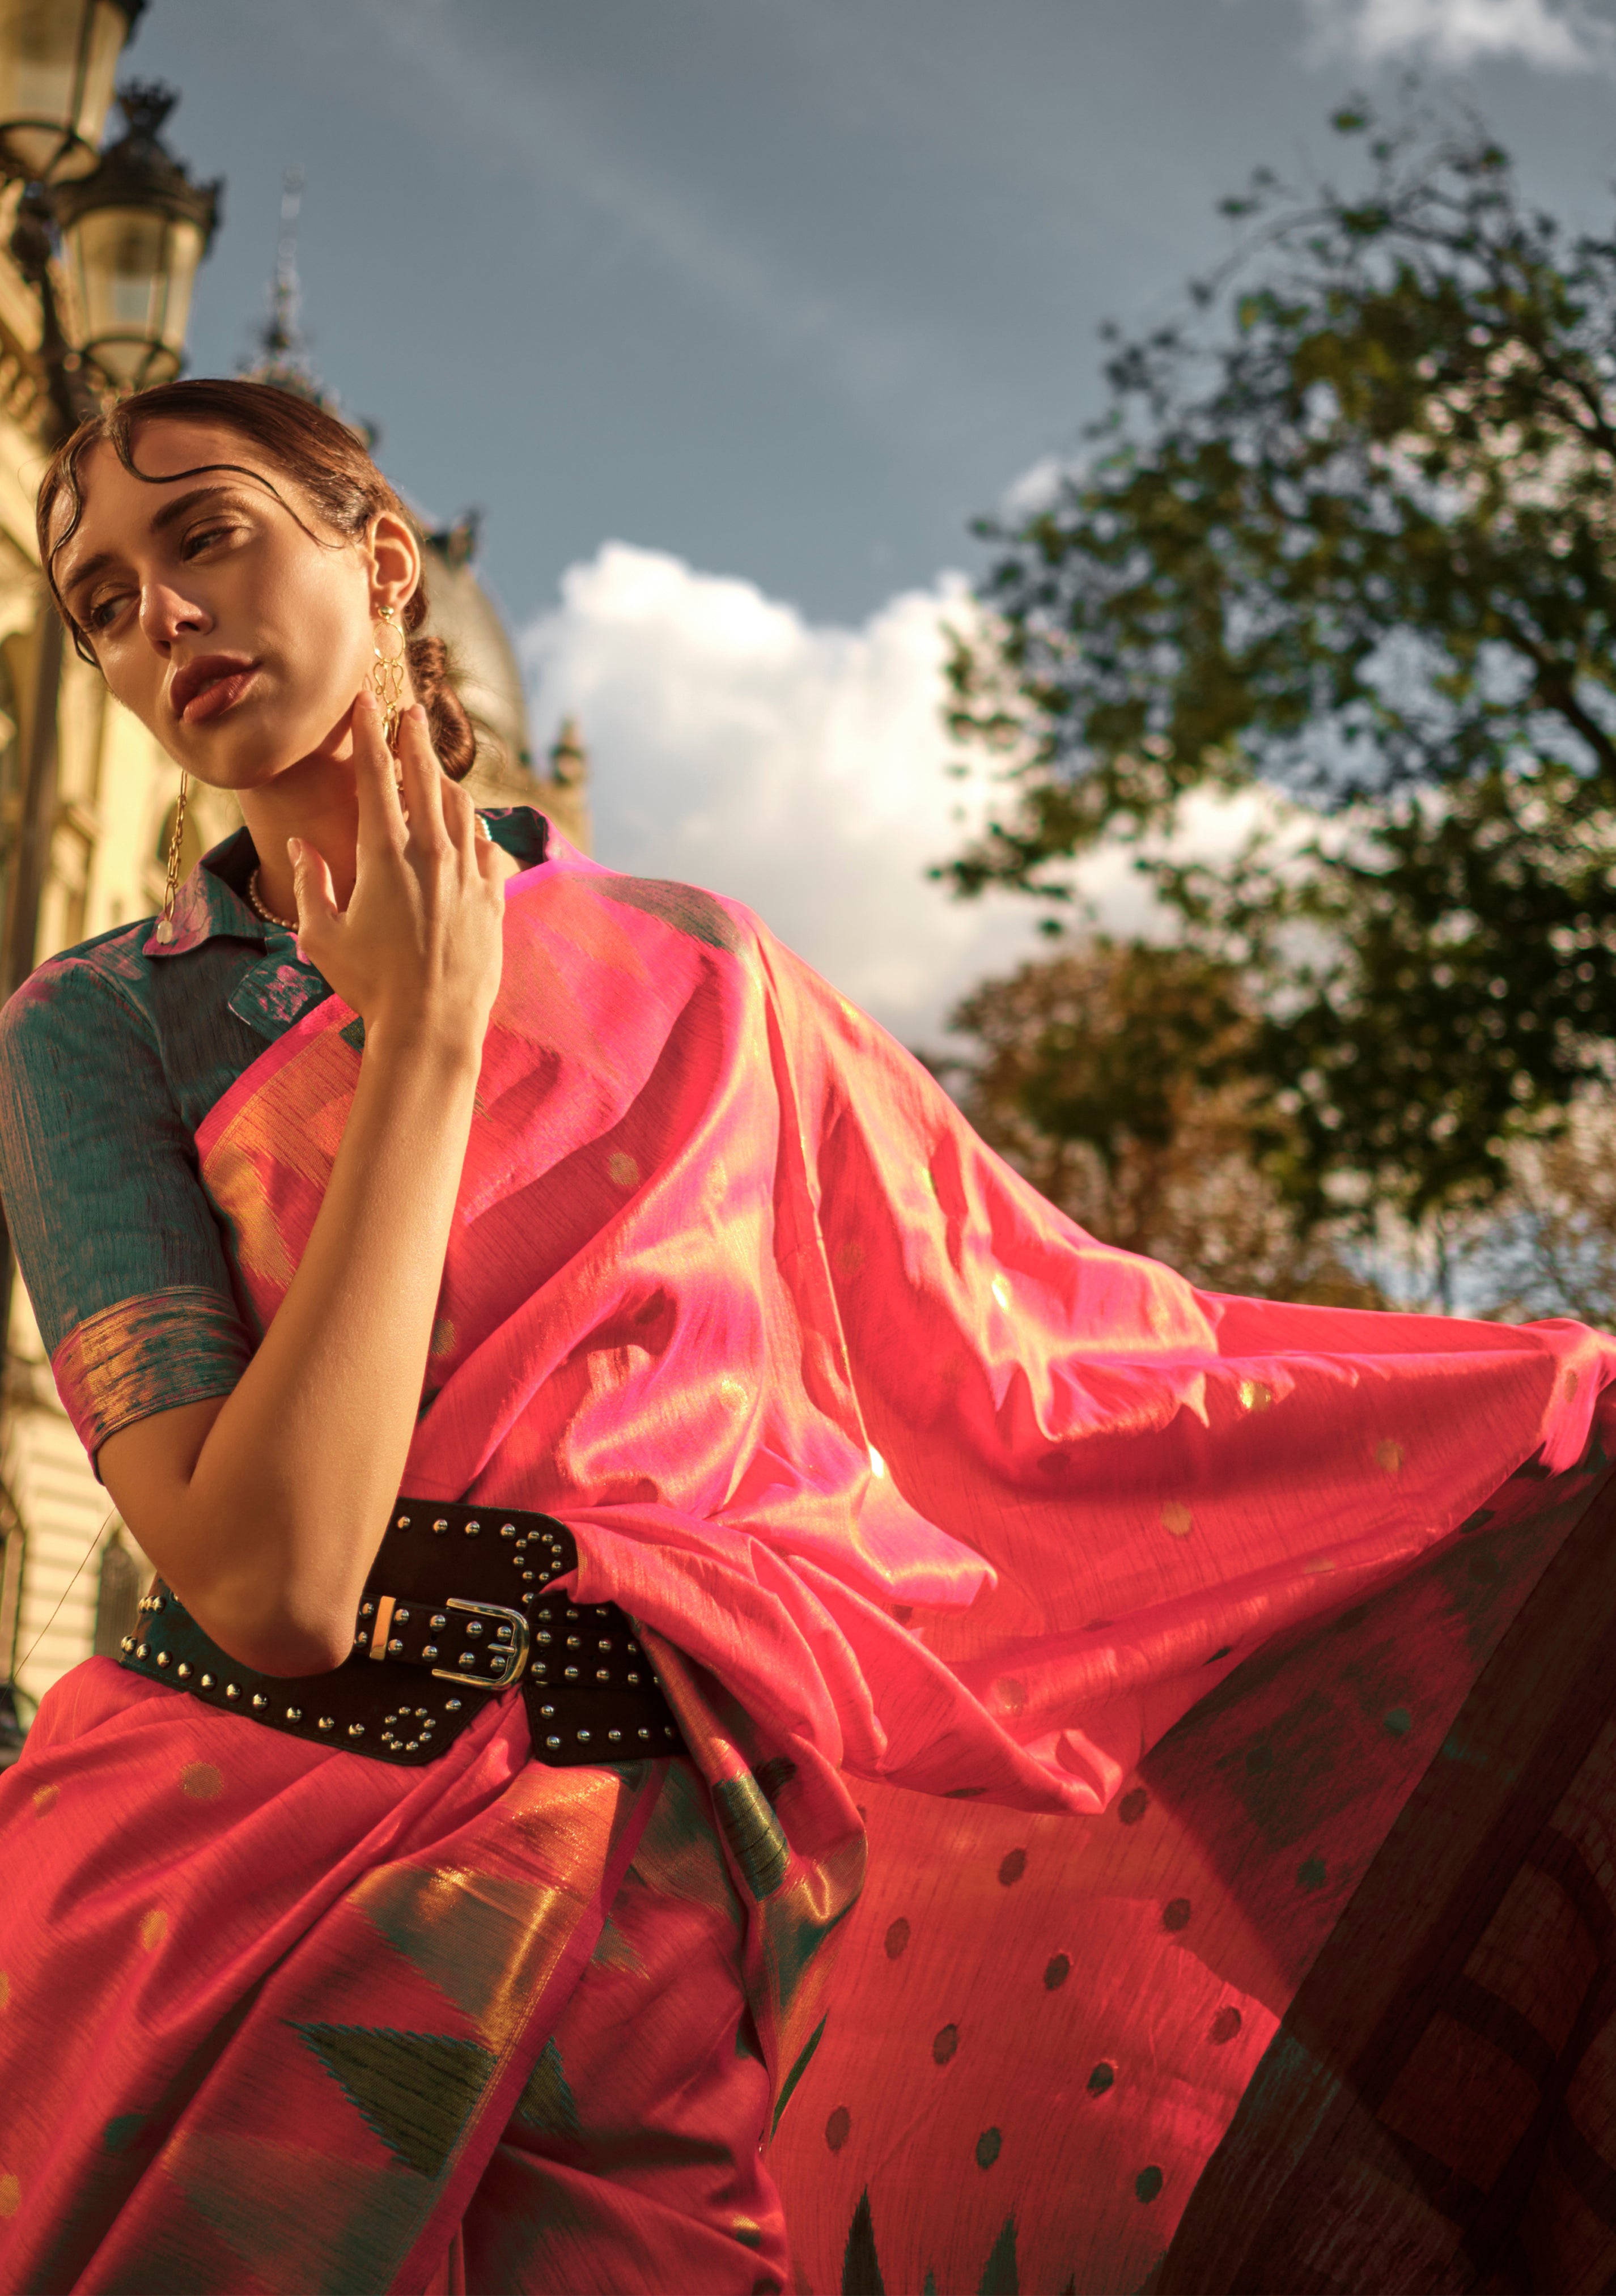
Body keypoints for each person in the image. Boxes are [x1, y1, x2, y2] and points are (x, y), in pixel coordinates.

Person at [0, 377, 1613, 2296]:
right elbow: (266, 1579)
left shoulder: (707, 976)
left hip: (662, 1927)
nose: (156, 616)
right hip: (197, 1915)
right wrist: (425, 1037)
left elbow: (1064, 1373)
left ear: (378, 551)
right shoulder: (96, 1025)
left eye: (204, 535)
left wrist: (1539, 1402)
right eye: (98, 597)